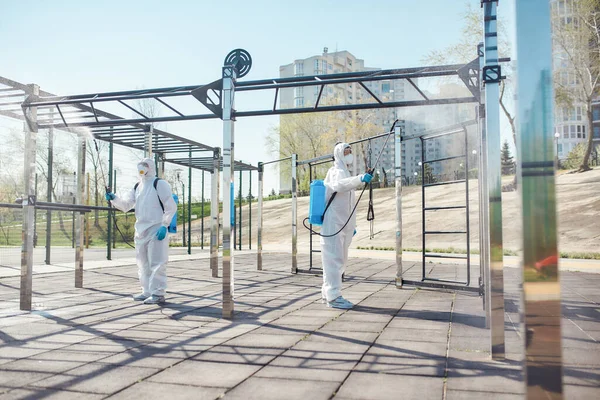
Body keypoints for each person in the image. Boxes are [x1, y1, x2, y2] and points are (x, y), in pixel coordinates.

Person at [105, 158, 177, 305]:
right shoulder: (138, 186)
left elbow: (171, 207)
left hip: (156, 228)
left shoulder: (160, 184)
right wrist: (114, 199)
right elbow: (126, 205)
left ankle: (158, 293)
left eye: (145, 167)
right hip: (141, 230)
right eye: (140, 167)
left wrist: (165, 225)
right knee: (142, 263)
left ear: (151, 167)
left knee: (157, 262)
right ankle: (147, 291)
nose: (142, 169)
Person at [321, 143, 372, 309]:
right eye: (346, 152)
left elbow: (349, 204)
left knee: (340, 260)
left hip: (343, 223)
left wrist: (352, 225)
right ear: (339, 154)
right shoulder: (335, 171)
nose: (349, 155)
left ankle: (327, 293)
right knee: (334, 260)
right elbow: (339, 185)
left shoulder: (345, 172)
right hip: (333, 222)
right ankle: (334, 297)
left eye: (350, 152)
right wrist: (359, 178)